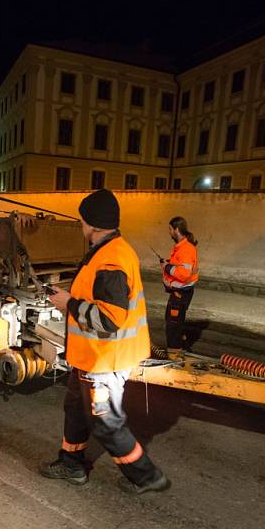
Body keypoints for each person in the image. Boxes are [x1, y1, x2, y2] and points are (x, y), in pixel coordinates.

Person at [42, 188, 170, 494]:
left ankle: (147, 476)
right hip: (91, 357)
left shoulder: (111, 259)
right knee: (74, 407)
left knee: (107, 422)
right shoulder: (111, 248)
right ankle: (71, 464)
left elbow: (109, 319)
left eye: (82, 220)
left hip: (104, 360)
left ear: (94, 224)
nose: (81, 225)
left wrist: (68, 304)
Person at [160, 216, 199, 356]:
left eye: (170, 229)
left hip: (180, 293)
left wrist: (167, 266)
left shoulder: (186, 249)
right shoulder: (182, 247)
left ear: (176, 230)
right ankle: (182, 347)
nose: (169, 232)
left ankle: (175, 355)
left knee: (173, 326)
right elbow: (180, 265)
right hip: (180, 292)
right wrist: (169, 262)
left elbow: (183, 273)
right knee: (176, 323)